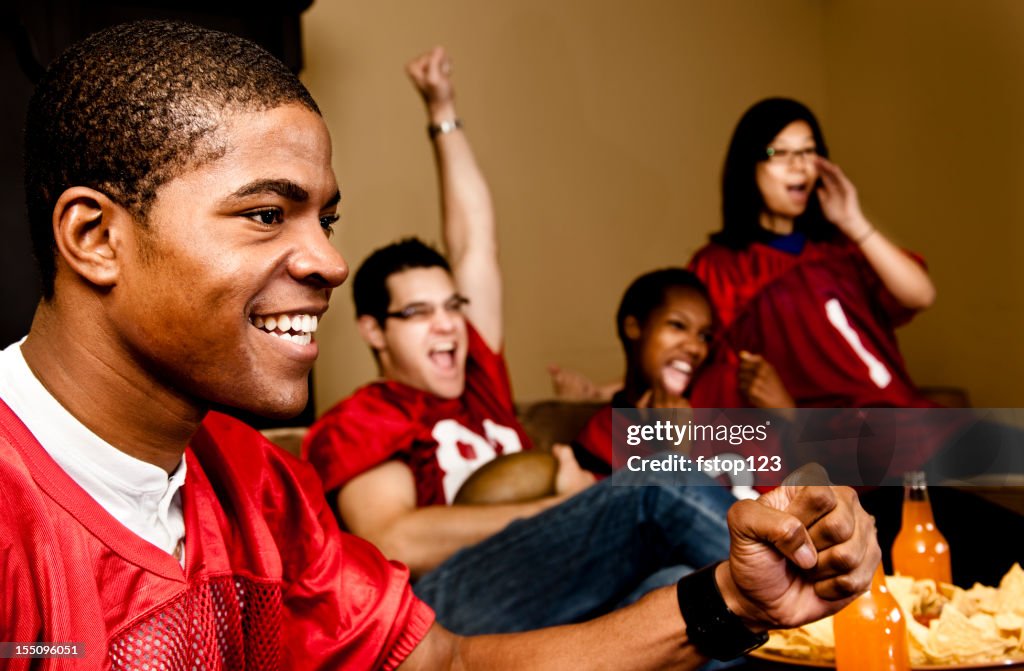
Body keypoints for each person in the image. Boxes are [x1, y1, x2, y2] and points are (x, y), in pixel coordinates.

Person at [0, 23, 880, 670]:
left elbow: (442, 664)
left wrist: (732, 599)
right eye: (267, 214)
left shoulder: (261, 483)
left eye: (326, 219)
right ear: (94, 236)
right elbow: (401, 535)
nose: (329, 261)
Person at [304, 46, 744, 635]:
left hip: (549, 587)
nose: (447, 324)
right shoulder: (364, 416)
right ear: (374, 330)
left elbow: (475, 245)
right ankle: (834, 609)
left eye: (453, 306)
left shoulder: (480, 385)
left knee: (696, 599)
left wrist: (444, 111)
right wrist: (565, 505)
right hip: (446, 606)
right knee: (655, 475)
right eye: (417, 313)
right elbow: (394, 537)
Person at [687, 97, 936, 410]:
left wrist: (853, 222)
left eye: (808, 150)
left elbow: (921, 296)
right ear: (749, 165)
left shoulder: (841, 248)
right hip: (823, 437)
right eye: (779, 153)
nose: (799, 165)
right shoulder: (720, 264)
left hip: (904, 418)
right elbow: (694, 355)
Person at [572, 267, 793, 495]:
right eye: (678, 325)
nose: (695, 348)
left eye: (704, 336)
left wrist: (788, 413)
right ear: (634, 328)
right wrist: (675, 454)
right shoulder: (598, 440)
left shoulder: (732, 388)